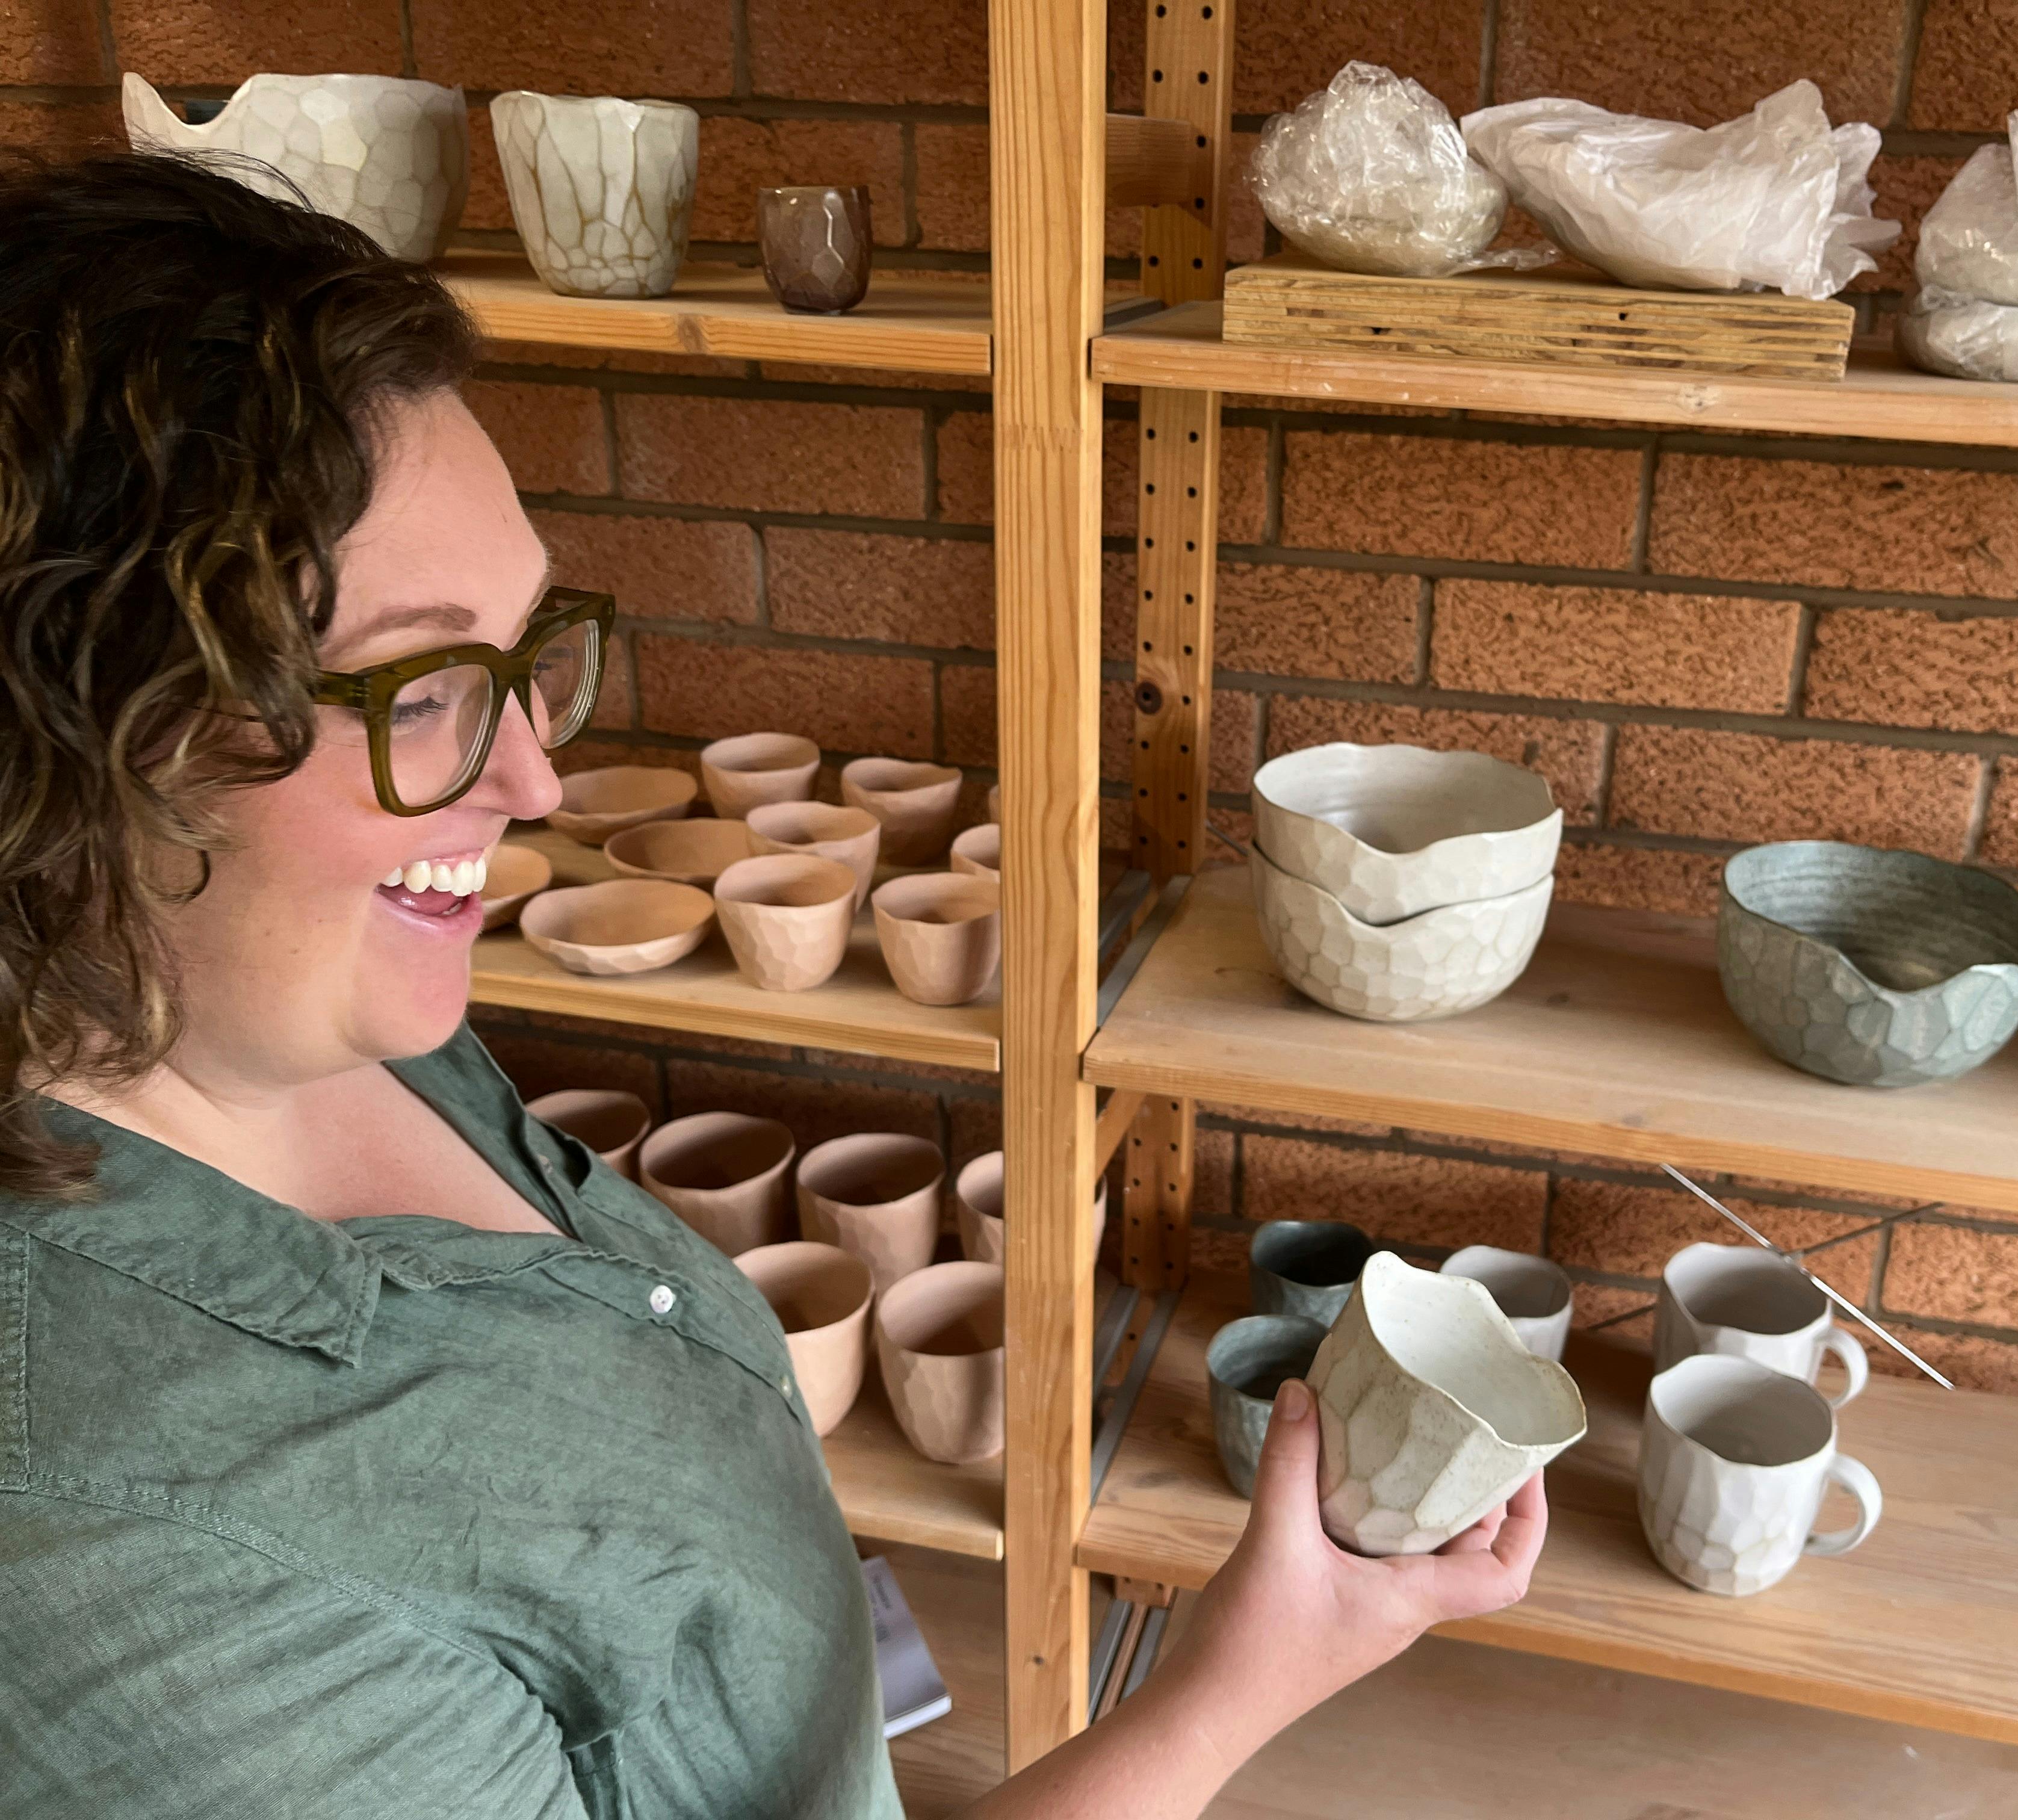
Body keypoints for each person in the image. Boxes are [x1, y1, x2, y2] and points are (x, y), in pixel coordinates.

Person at [0, 150, 1546, 1820]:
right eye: (426, 689)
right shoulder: (121, 1563)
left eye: (526, 661)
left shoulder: (277, 1013)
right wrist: (1243, 1689)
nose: (536, 783)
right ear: (70, 738)